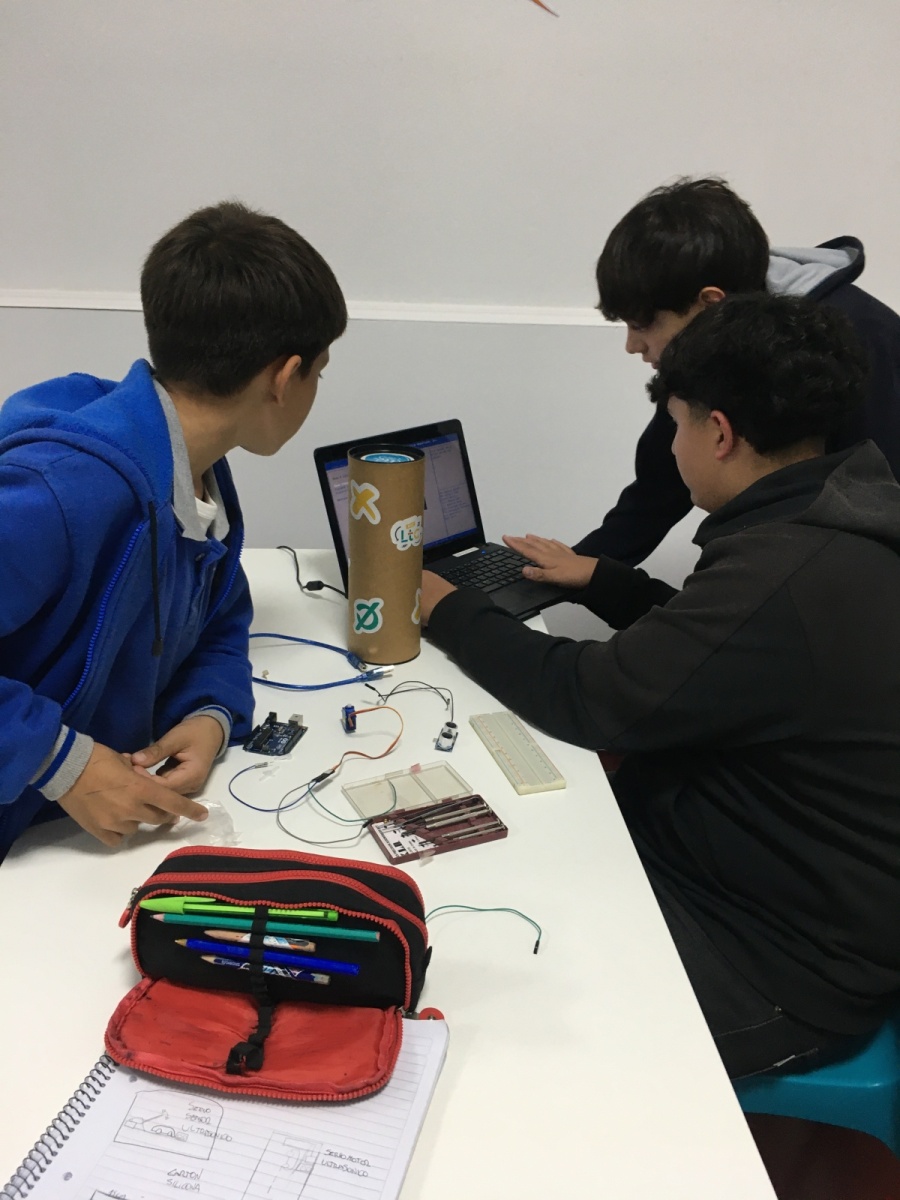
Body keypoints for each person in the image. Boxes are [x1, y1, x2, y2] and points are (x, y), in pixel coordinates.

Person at [420, 294, 900, 1079]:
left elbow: (590, 698)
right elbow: (731, 660)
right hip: (776, 894)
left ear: (720, 433)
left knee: (493, 979)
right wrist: (607, 581)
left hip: (777, 969)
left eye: (676, 424)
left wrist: (449, 609)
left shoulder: (785, 568)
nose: (674, 445)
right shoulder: (834, 517)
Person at [0, 201, 347, 859]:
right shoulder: (61, 489)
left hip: (72, 834)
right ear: (284, 378)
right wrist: (58, 760)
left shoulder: (195, 471)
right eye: (319, 372)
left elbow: (218, 616)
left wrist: (209, 712)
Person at [503, 177, 900, 589]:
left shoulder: (856, 339)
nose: (632, 346)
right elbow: (659, 487)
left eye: (642, 325)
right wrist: (567, 569)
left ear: (710, 304)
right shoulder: (710, 344)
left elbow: (880, 503)